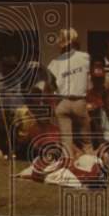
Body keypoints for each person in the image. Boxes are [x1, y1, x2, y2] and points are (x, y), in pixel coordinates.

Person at [46, 27, 94, 160]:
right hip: (79, 102)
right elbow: (89, 77)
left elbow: (50, 85)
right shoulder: (85, 56)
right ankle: (92, 170)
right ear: (74, 42)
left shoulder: (53, 63)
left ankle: (68, 170)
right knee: (86, 141)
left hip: (63, 102)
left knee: (66, 142)